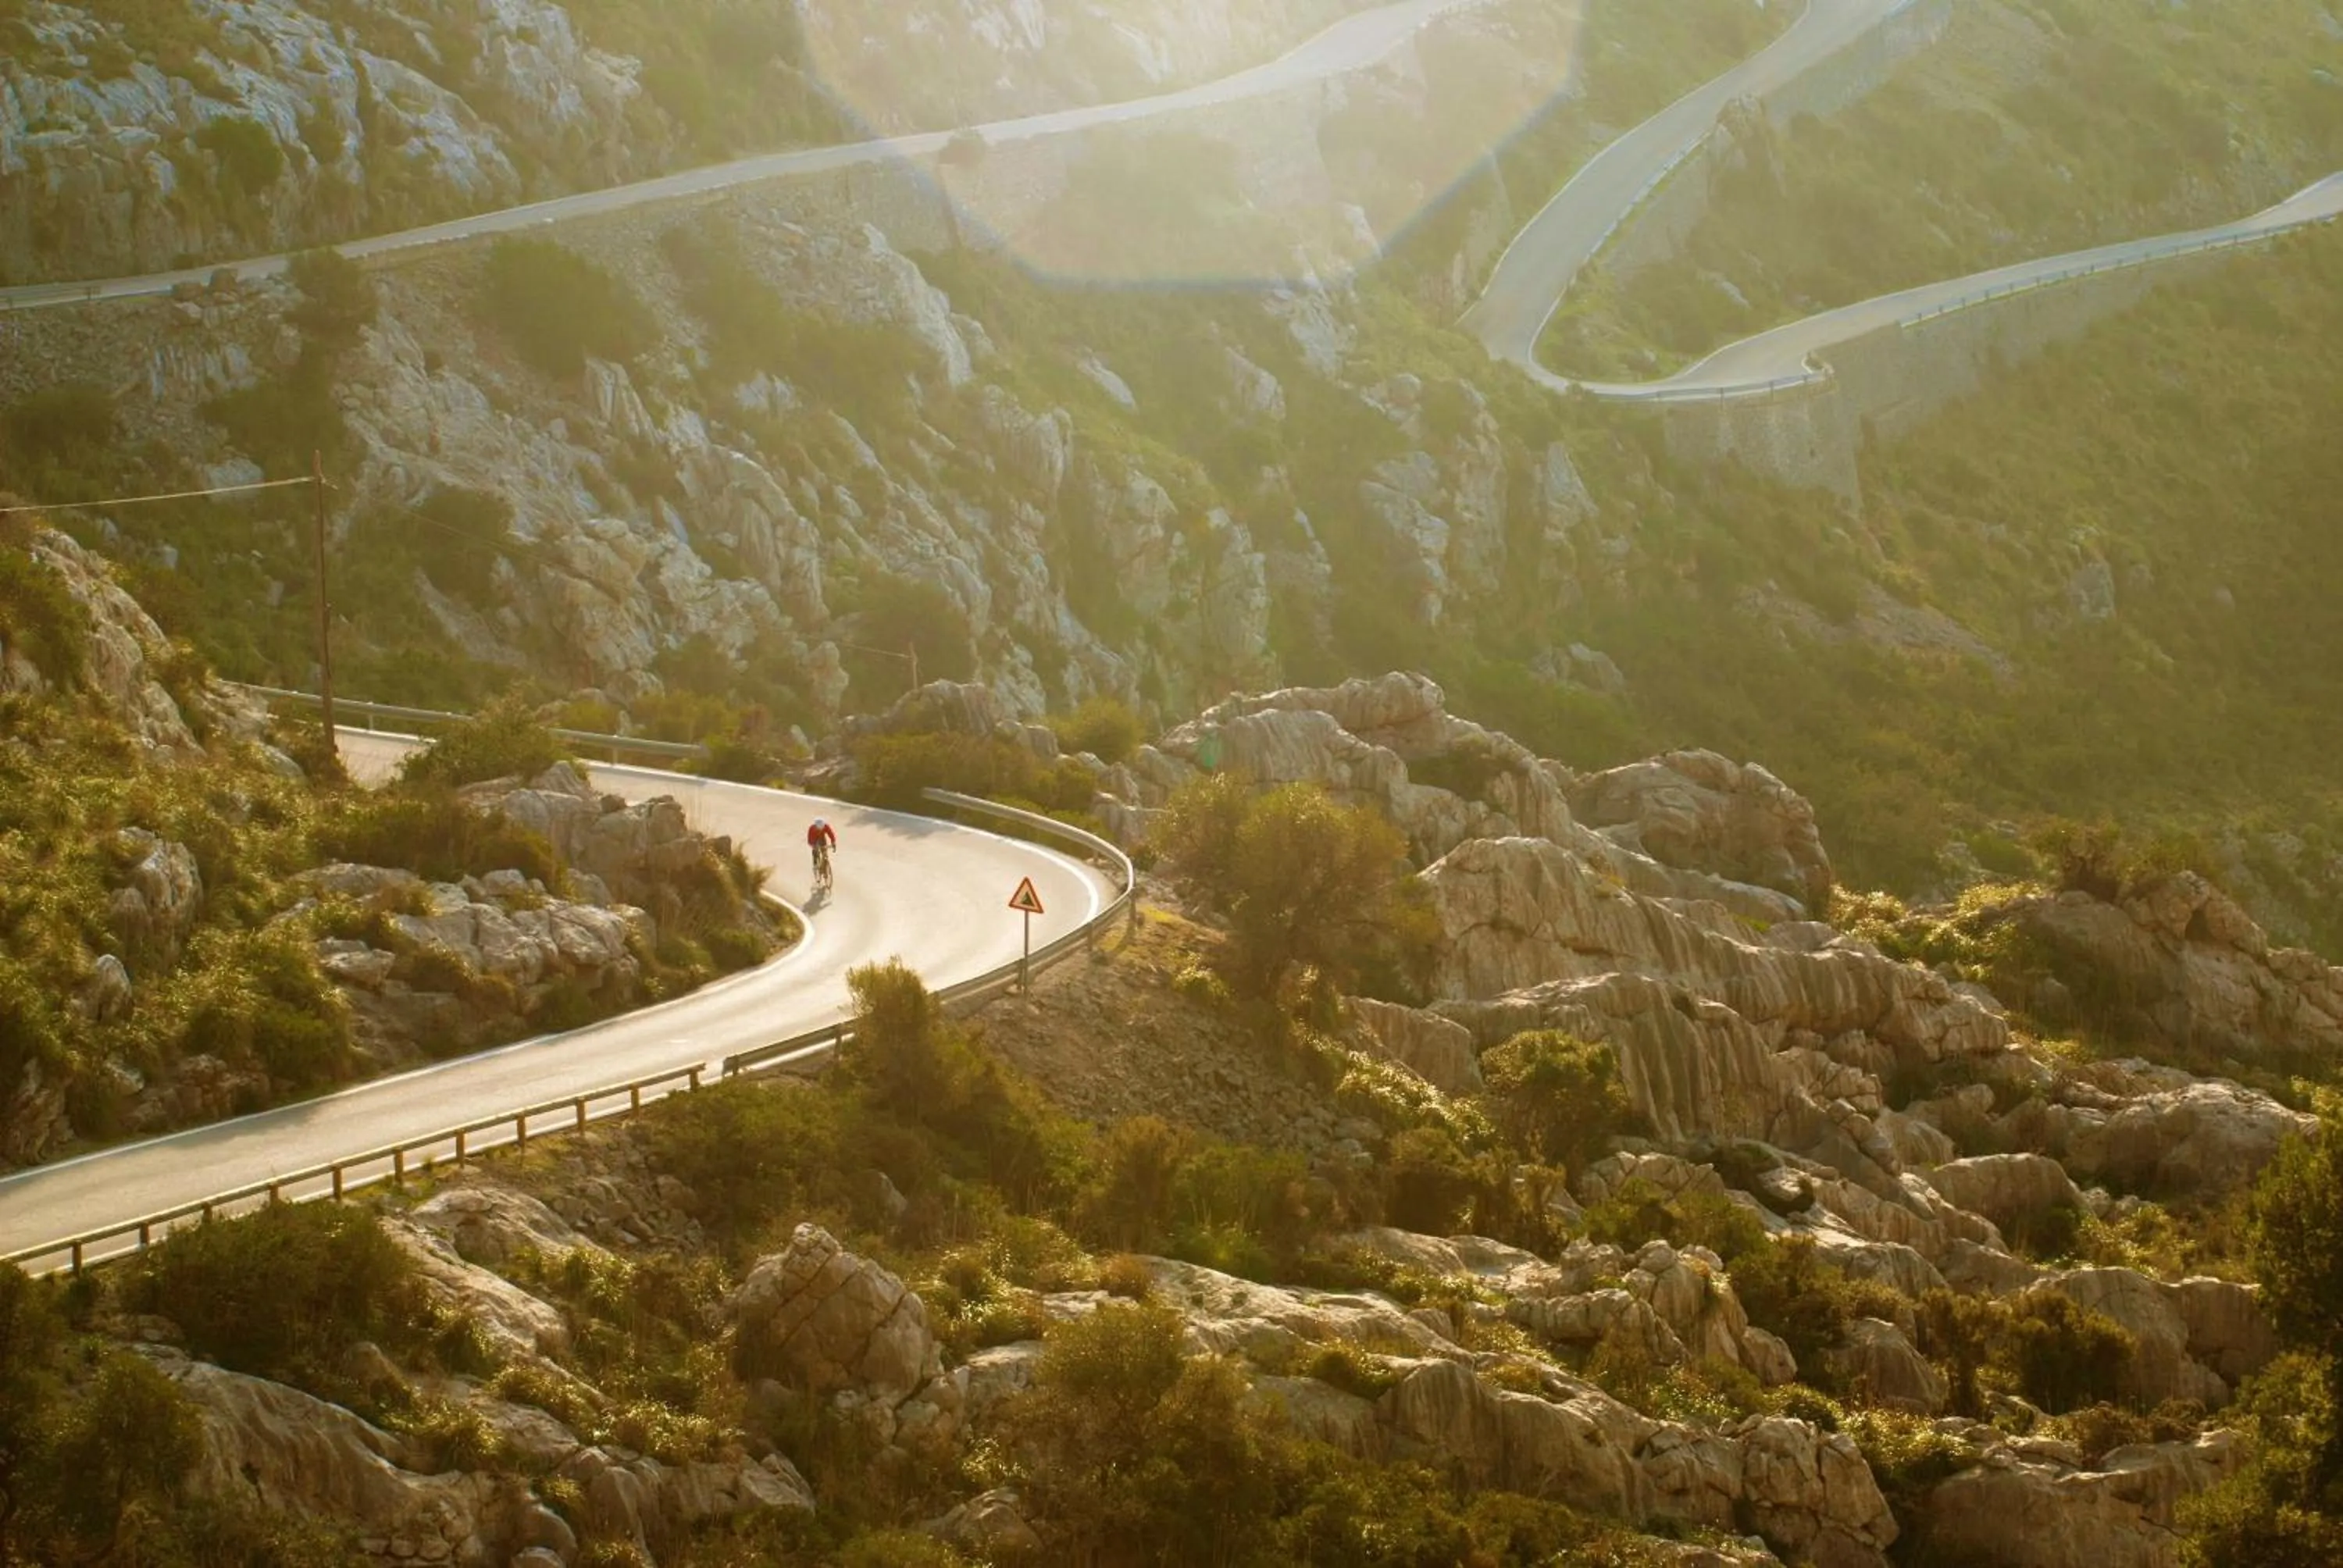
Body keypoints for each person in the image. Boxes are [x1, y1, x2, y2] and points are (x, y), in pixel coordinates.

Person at [807, 817, 838, 889]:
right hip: (814, 841)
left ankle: (825, 866)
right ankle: (815, 866)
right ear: (815, 826)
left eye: (822, 828)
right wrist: (814, 846)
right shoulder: (811, 829)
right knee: (815, 852)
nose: (821, 829)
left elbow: (831, 834)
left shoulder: (825, 826)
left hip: (822, 839)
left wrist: (833, 843)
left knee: (824, 851)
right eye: (819, 828)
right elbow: (809, 840)